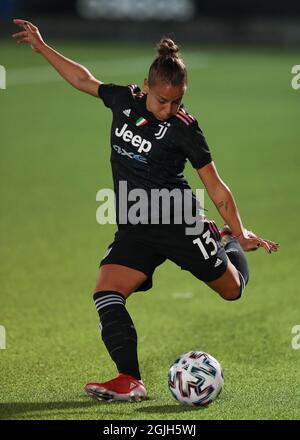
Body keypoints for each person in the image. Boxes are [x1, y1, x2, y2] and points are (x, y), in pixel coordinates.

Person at [13, 19, 279, 403]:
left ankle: (221, 241)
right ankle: (129, 379)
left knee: (233, 290)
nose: (169, 109)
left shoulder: (186, 129)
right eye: (162, 100)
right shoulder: (123, 99)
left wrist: (239, 231)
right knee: (106, 292)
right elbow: (84, 80)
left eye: (177, 102)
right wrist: (42, 46)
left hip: (179, 223)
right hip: (137, 224)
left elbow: (216, 187)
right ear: (146, 86)